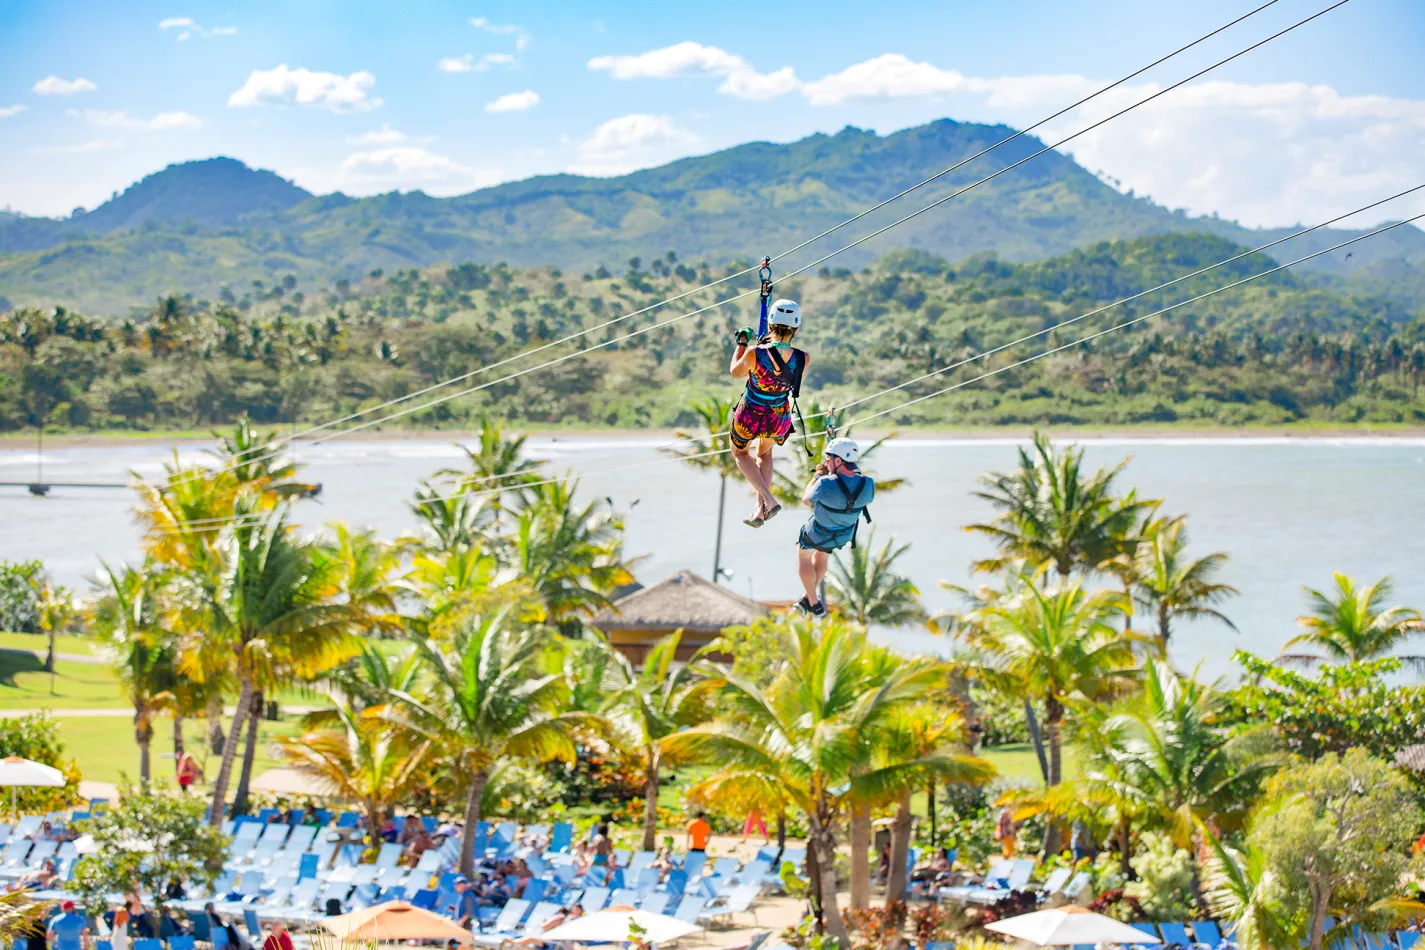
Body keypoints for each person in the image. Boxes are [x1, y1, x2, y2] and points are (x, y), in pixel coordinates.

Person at [727, 297, 808, 527]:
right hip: (778, 416)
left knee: (741, 453)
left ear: (770, 325)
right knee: (764, 454)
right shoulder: (803, 358)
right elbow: (791, 384)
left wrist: (742, 343)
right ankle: (759, 510)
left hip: (750, 414)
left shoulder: (755, 353)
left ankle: (769, 501)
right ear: (796, 328)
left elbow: (735, 371)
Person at [795, 438, 874, 615]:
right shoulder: (868, 483)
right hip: (842, 535)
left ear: (838, 461)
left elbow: (806, 499)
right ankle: (807, 598)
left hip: (818, 532)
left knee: (804, 557)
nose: (826, 462)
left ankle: (813, 601)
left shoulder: (825, 483)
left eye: (829, 459)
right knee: (822, 556)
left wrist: (817, 476)